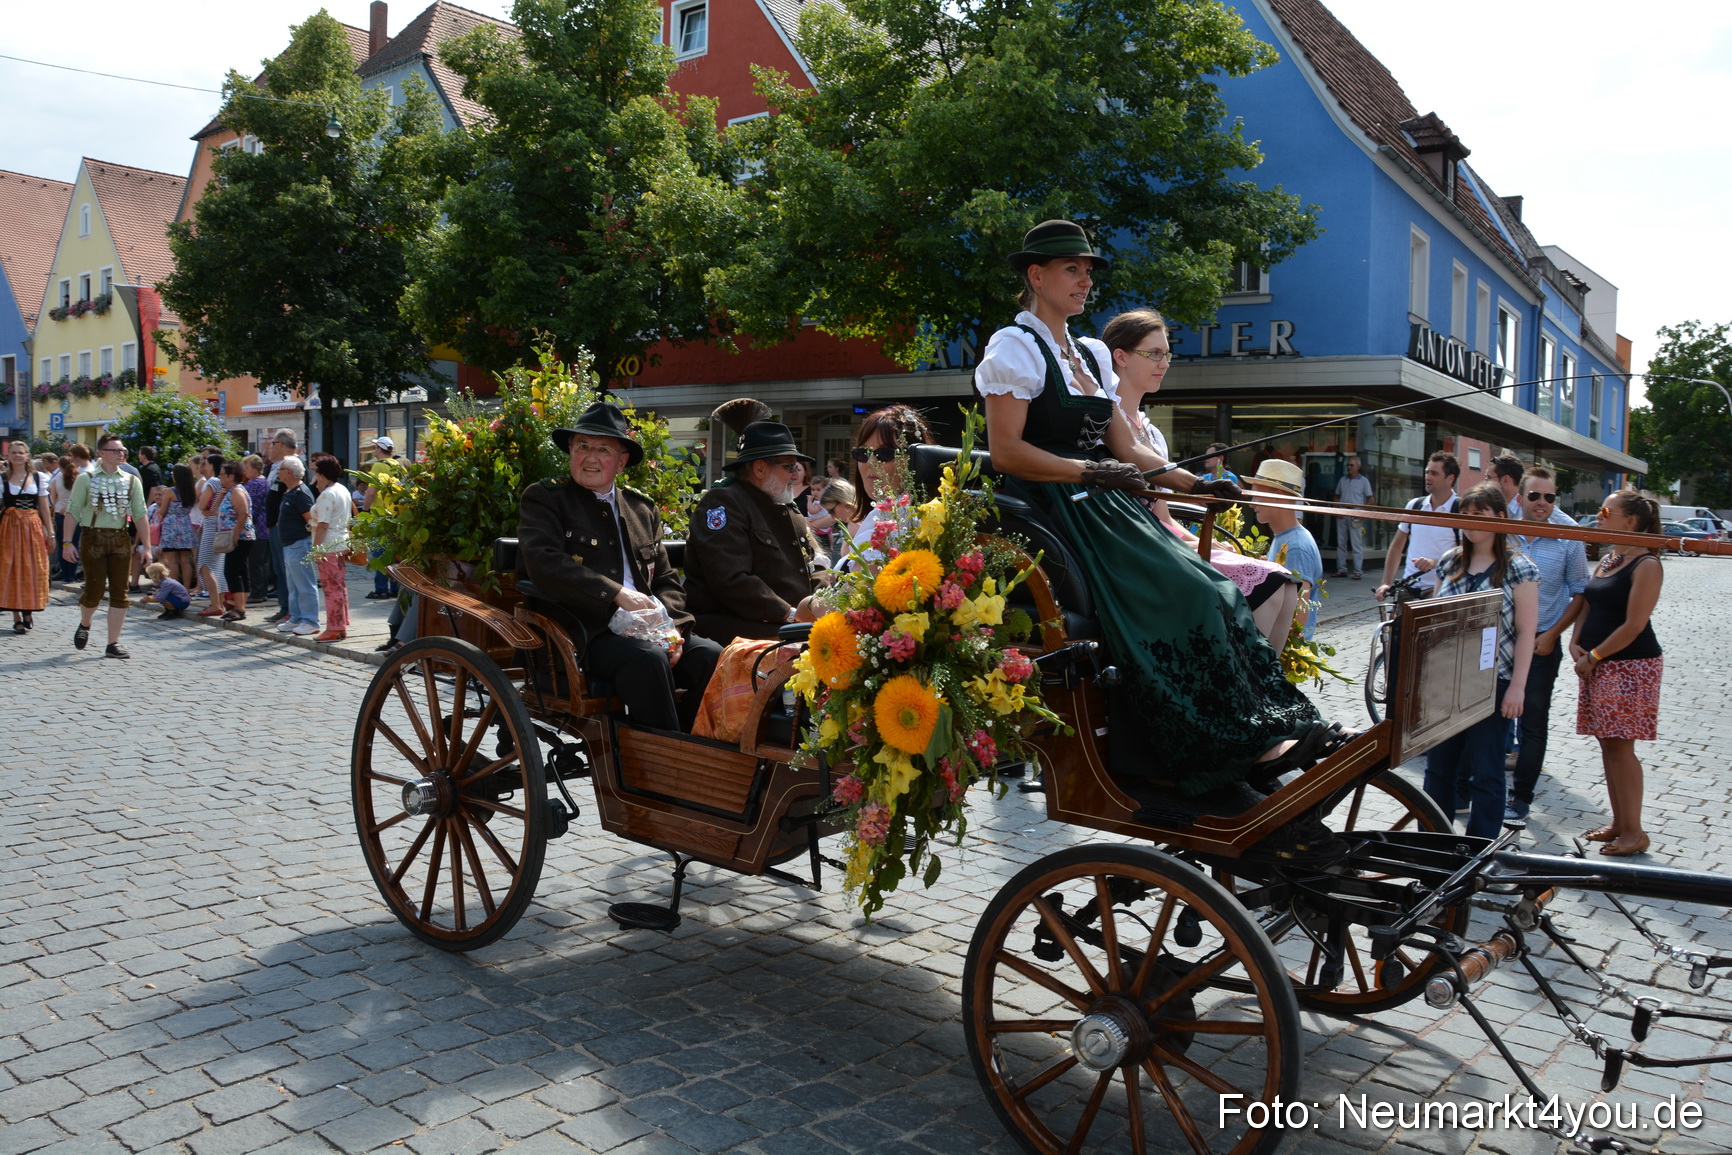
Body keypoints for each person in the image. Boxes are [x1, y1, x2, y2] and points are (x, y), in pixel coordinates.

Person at [977, 220, 1329, 798]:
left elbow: (1130, 447)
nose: (1085, 279)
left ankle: (1249, 735)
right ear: (1036, 276)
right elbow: (1008, 450)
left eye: (1088, 269)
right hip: (1060, 507)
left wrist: (1200, 484)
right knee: (1193, 595)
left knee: (1217, 591)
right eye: (1073, 268)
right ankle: (1202, 741)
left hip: (1110, 501)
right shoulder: (1014, 348)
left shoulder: (1088, 353)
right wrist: (1086, 471)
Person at [517, 402, 721, 732]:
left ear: (621, 461)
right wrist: (616, 594)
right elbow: (545, 564)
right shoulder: (545, 498)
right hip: (585, 633)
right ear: (571, 450)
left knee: (710, 655)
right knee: (647, 659)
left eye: (603, 449)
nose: (591, 457)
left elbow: (667, 579)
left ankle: (692, 750)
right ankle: (660, 765)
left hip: (650, 629)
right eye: (582, 446)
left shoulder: (642, 509)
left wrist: (674, 630)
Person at [1104, 308, 1300, 648]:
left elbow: (1162, 515)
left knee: (1286, 584)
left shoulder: (1151, 433)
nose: (1164, 363)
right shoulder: (1104, 421)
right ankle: (1245, 683)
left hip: (1161, 537)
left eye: (1167, 354)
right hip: (1131, 545)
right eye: (1153, 354)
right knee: (1268, 585)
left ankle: (1264, 684)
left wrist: (1198, 541)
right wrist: (1191, 543)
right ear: (1120, 356)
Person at [1415, 481, 1538, 840]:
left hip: (1492, 683)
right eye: (1465, 513)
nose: (1471, 521)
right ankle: (1432, 841)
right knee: (1439, 769)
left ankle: (1479, 847)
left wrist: (1517, 687)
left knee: (1486, 771)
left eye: (1480, 513)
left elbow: (1528, 633)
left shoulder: (1519, 568)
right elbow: (1433, 620)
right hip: (1447, 680)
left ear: (1501, 517)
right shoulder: (1451, 561)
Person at [1570, 489, 1664, 857]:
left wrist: (1593, 655)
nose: (1599, 515)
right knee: (1608, 743)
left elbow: (1635, 625)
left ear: (1630, 522)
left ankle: (1635, 831)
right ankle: (1620, 822)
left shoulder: (1647, 565)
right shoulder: (1609, 559)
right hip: (1598, 663)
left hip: (1630, 666)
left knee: (1622, 747)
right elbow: (1588, 603)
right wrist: (1575, 642)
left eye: (1606, 510)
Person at [684, 409, 820, 645]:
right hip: (741, 630)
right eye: (789, 467)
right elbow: (731, 580)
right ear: (759, 468)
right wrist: (790, 614)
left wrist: (822, 600)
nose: (794, 475)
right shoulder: (724, 503)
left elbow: (812, 566)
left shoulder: (785, 507)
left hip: (791, 627)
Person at [1506, 466, 1589, 822]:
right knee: (1486, 716)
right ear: (1521, 497)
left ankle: (1521, 797)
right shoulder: (1503, 528)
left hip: (1542, 642)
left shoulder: (1569, 535)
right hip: (1500, 640)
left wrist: (1554, 635)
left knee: (1533, 722)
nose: (1543, 503)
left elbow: (1580, 592)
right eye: (1535, 496)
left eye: (1550, 497)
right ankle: (1479, 788)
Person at [63, 433, 153, 659]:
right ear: (102, 453)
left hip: (120, 538)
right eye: (115, 450)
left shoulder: (131, 480)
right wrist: (66, 542)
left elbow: (141, 514)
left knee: (120, 594)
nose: (121, 454)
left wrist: (148, 548)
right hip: (93, 537)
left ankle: (113, 643)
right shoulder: (87, 478)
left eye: (122, 450)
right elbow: (73, 511)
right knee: (93, 591)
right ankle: (85, 623)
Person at [1247, 460, 1323, 640]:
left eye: (1256, 495)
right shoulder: (1284, 538)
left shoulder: (1295, 546)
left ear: (1277, 496)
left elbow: (1296, 621)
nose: (1252, 503)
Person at [1377, 451, 1459, 601]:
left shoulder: (1460, 509)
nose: (1428, 477)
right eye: (1427, 472)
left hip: (1440, 590)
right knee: (1399, 625)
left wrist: (1435, 563)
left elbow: (1467, 552)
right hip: (1409, 587)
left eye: (1434, 474)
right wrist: (1386, 582)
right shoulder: (1415, 505)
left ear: (1450, 478)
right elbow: (1396, 547)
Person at [1, 440, 54, 633]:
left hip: (32, 528)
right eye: (13, 452)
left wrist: (51, 532)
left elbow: (44, 508)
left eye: (20, 452)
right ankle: (16, 616)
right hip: (10, 528)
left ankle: (28, 610)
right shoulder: (2, 479)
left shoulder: (38, 478)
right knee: (11, 568)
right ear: (8, 456)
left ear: (27, 455)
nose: (17, 455)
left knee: (33, 569)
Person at [275, 457, 321, 637]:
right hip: (289, 544)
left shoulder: (301, 493)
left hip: (299, 544)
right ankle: (296, 617)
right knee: (293, 585)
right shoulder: (290, 492)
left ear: (289, 472)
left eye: (281, 469)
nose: (278, 472)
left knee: (305, 584)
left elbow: (311, 521)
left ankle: (310, 620)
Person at [309, 455, 352, 643]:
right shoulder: (342, 489)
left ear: (321, 474)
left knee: (331, 588)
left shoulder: (327, 494)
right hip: (341, 542)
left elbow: (323, 525)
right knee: (339, 586)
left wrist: (316, 549)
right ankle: (340, 625)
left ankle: (334, 627)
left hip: (329, 544)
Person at [263, 430, 299, 623]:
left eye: (273, 443)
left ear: (281, 445)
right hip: (273, 524)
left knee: (286, 570)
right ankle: (284, 607)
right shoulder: (274, 467)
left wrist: (278, 519)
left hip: (283, 525)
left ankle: (291, 609)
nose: (270, 447)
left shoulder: (291, 465)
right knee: (279, 568)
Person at [214, 461, 256, 622]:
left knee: (232, 572)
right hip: (238, 537)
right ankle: (241, 607)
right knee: (240, 571)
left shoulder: (237, 491)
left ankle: (239, 608)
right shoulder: (230, 491)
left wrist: (236, 534)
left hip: (241, 537)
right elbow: (214, 510)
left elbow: (243, 513)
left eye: (222, 475)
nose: (220, 477)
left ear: (231, 476)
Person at [363, 435, 400, 601]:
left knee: (379, 553)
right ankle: (396, 588)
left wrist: (365, 510)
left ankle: (381, 589)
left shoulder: (378, 466)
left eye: (375, 447)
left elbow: (371, 492)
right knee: (393, 554)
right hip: (396, 514)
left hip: (380, 515)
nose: (374, 450)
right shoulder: (397, 464)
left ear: (380, 449)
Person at [193, 454, 229, 617]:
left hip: (211, 525)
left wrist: (207, 510)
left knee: (205, 565)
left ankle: (215, 604)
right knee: (216, 567)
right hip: (217, 524)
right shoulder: (219, 482)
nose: (201, 465)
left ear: (212, 466)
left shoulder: (212, 482)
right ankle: (219, 602)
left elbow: (201, 504)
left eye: (204, 463)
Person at [156, 464, 199, 595]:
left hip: (171, 527)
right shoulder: (192, 491)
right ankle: (186, 588)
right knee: (185, 560)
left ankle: (175, 588)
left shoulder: (170, 491)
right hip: (186, 525)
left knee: (172, 560)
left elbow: (162, 511)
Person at [1332, 455, 1374, 578]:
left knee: (1356, 543)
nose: (1349, 467)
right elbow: (1336, 496)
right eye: (1348, 465)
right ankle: (1341, 569)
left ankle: (1357, 571)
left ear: (1358, 466)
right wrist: (1337, 509)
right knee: (1341, 543)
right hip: (1343, 513)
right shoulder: (1343, 480)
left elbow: (1370, 498)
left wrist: (1363, 513)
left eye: (1352, 465)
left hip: (1356, 513)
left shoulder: (1364, 481)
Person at [241, 454, 272, 601]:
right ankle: (260, 591)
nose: (244, 471)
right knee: (260, 561)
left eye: (246, 468)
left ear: (255, 468)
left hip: (257, 527)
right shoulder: (261, 481)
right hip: (261, 526)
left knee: (256, 561)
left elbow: (251, 507)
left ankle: (258, 592)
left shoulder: (255, 484)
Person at [817, 478, 859, 565]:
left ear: (843, 502)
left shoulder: (858, 523)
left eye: (832, 511)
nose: (833, 517)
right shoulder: (854, 522)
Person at [1491, 454, 1525, 519]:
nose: (1485, 482)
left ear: (1505, 480)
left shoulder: (1527, 511)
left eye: (1488, 477)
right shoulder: (1493, 509)